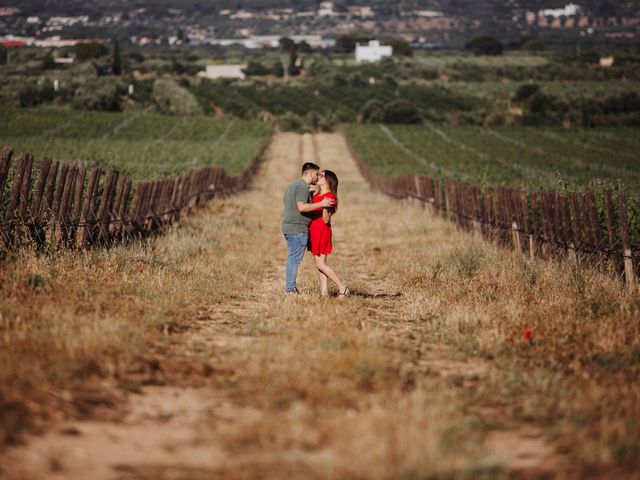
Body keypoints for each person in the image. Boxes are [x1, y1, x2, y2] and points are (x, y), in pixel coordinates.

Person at [282, 163, 335, 295]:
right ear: (311, 173)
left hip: (290, 227)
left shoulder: (293, 186)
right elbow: (301, 207)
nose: (317, 177)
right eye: (317, 174)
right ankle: (290, 290)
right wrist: (321, 203)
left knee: (295, 259)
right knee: (294, 260)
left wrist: (311, 198)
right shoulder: (302, 188)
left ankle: (323, 291)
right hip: (298, 229)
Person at [309, 170, 349, 297]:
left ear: (328, 180)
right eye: (319, 174)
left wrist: (324, 205)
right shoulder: (317, 194)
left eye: (322, 175)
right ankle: (324, 291)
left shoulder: (330, 197)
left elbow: (326, 219)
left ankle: (343, 288)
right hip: (314, 230)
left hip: (322, 230)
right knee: (318, 264)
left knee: (321, 264)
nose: (318, 176)